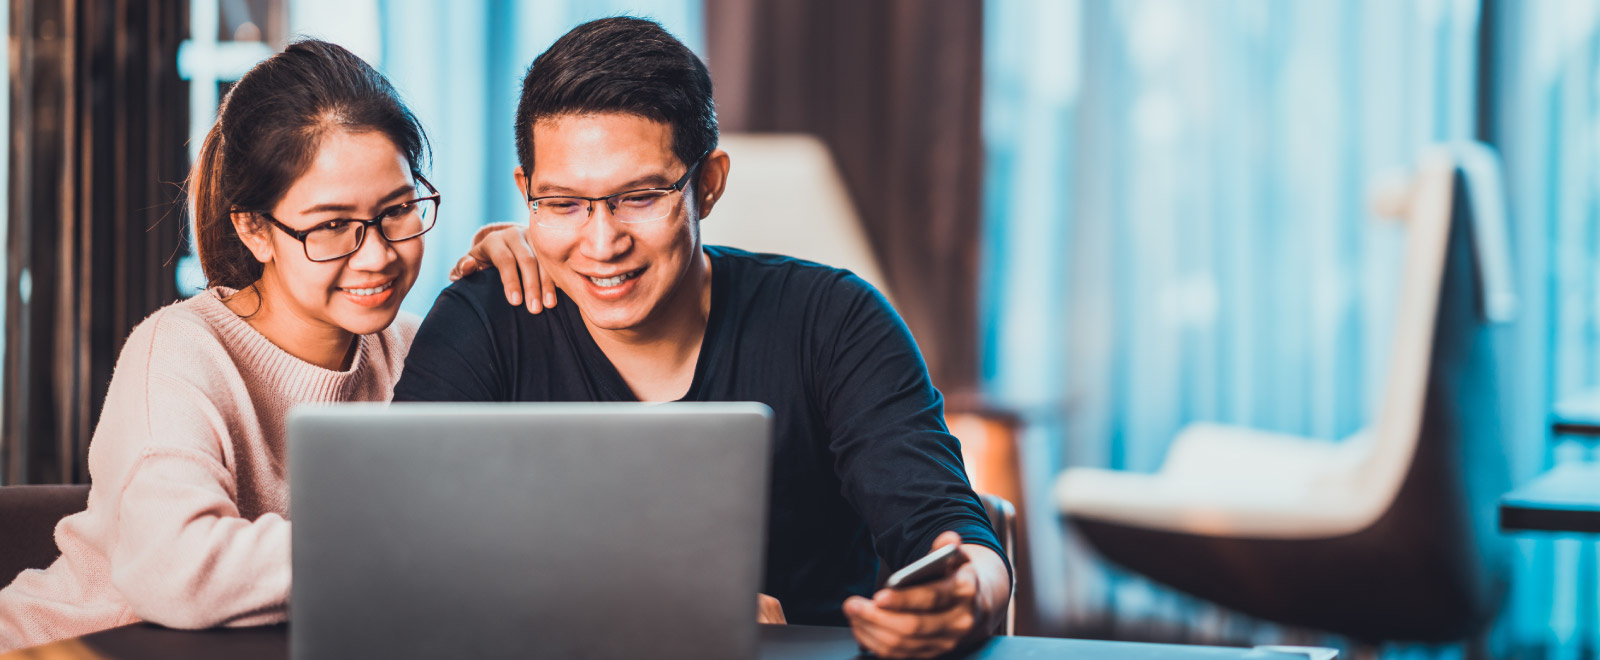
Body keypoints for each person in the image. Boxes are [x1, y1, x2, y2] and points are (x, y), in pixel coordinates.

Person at [397, 17, 1012, 659]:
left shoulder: (834, 321)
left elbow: (951, 528)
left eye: (640, 197)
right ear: (527, 192)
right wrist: (650, 610)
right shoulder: (484, 321)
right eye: (564, 203)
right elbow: (401, 548)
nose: (602, 244)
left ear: (709, 184)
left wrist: (970, 590)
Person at [0, 39, 531, 651]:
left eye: (398, 210)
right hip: (70, 647)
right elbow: (179, 568)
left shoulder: (419, 350)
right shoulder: (180, 350)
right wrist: (421, 548)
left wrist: (526, 282)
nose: (378, 255)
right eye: (333, 226)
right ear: (254, 228)